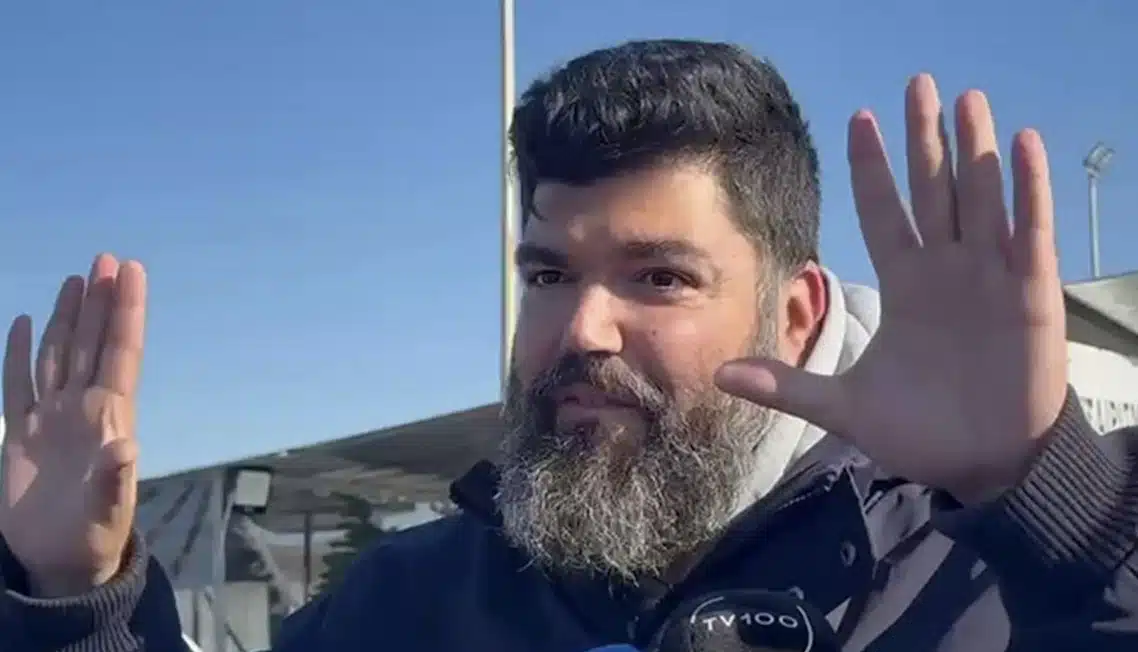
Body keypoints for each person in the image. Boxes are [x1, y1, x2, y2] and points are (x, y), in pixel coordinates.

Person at [1, 39, 1136, 652]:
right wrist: (74, 597)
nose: (582, 330)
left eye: (659, 277)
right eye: (547, 274)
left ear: (794, 314)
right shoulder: (410, 604)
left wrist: (1058, 510)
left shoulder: (979, 585)